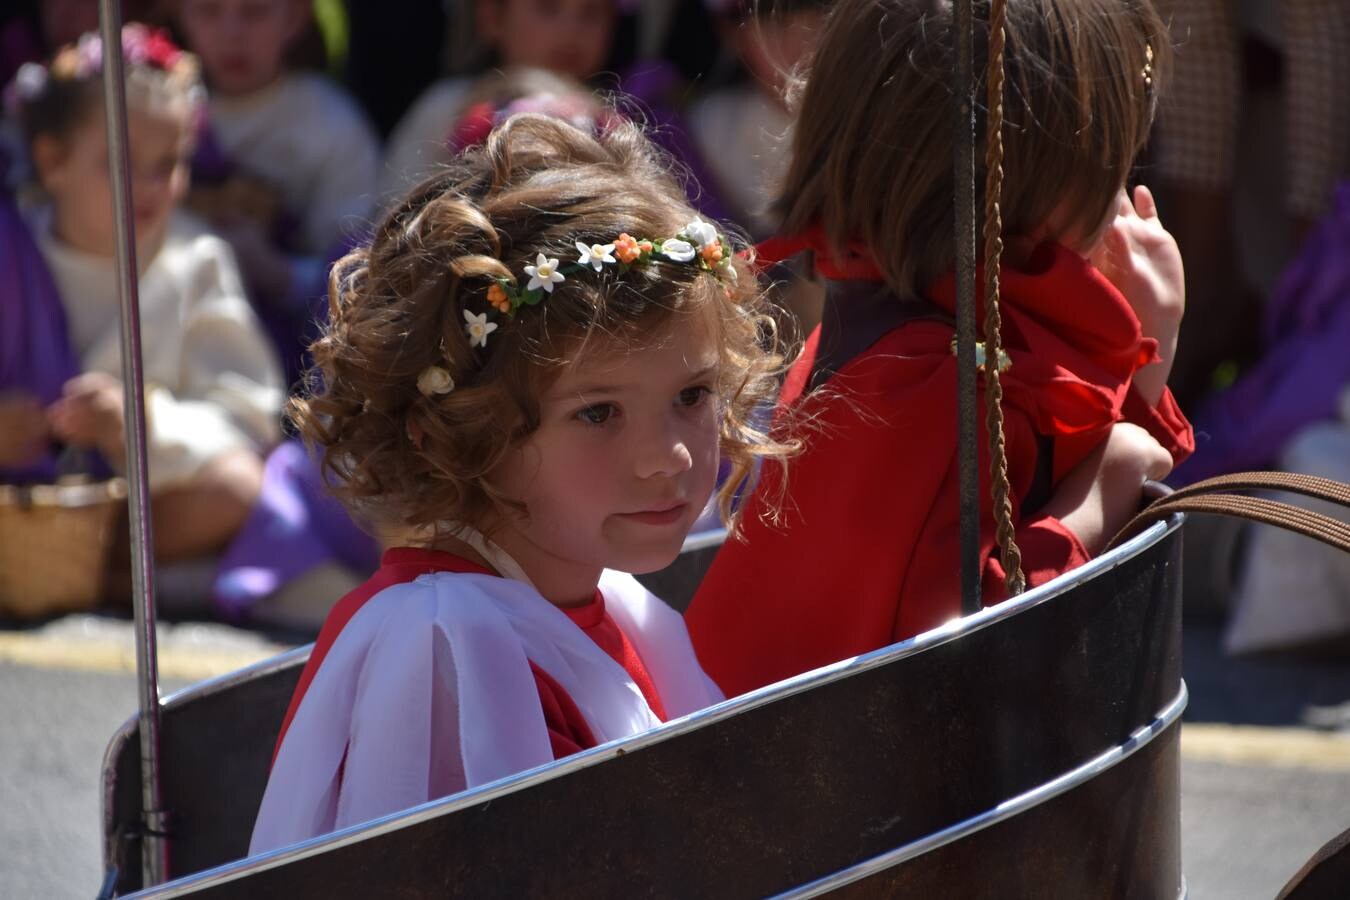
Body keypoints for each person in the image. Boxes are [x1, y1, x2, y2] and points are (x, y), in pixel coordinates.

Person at [249, 113, 793, 852]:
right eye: (598, 412)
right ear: (467, 433)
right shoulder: (447, 648)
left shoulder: (600, 600)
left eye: (692, 395)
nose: (667, 456)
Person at [684, 0, 1196, 697]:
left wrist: (1149, 342)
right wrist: (1111, 479)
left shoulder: (933, 321)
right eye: (1109, 163)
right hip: (851, 782)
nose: (1123, 189)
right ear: (1032, 185)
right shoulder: (933, 386)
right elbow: (963, 660)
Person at [2, 25, 283, 567]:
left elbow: (247, 416)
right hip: (18, 495)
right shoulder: (10, 250)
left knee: (236, 486)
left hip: (135, 507)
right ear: (52, 160)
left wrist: (138, 425)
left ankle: (93, 575)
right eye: (122, 163)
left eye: (169, 164)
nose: (152, 187)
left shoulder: (196, 260)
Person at [176, 0, 382, 384]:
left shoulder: (332, 124)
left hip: (300, 359)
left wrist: (275, 272)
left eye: (254, 13)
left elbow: (357, 270)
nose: (231, 34)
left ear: (294, 17)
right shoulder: (159, 110)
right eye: (208, 12)